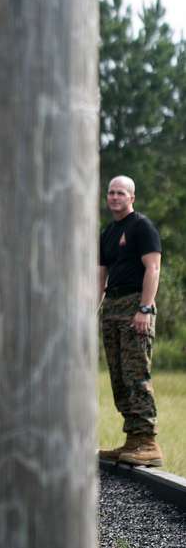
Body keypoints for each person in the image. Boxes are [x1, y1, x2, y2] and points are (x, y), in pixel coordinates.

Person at [98, 175, 163, 467]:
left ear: (131, 197)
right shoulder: (109, 232)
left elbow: (153, 268)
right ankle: (133, 440)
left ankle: (148, 442)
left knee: (136, 374)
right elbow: (101, 276)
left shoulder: (142, 227)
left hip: (135, 304)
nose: (114, 197)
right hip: (111, 307)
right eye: (111, 193)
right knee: (119, 377)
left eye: (120, 193)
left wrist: (145, 308)